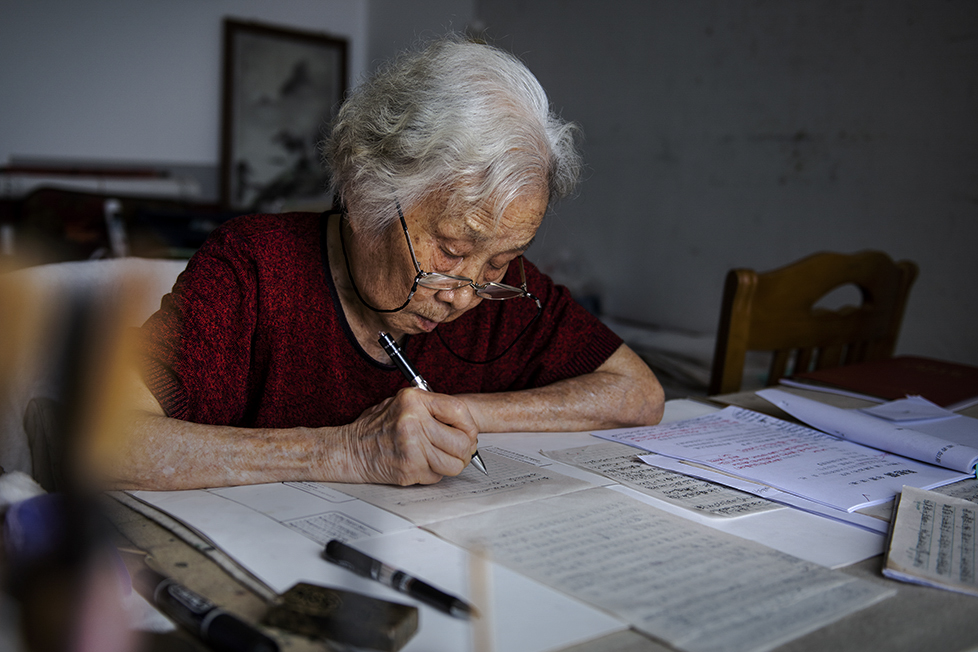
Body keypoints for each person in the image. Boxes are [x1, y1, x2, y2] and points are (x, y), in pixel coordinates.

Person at [115, 36, 664, 490]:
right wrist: (343, 450)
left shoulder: (502, 292)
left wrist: (462, 414)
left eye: (501, 260)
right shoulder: (254, 268)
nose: (466, 294)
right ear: (366, 194)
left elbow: (638, 393)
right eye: (450, 251)